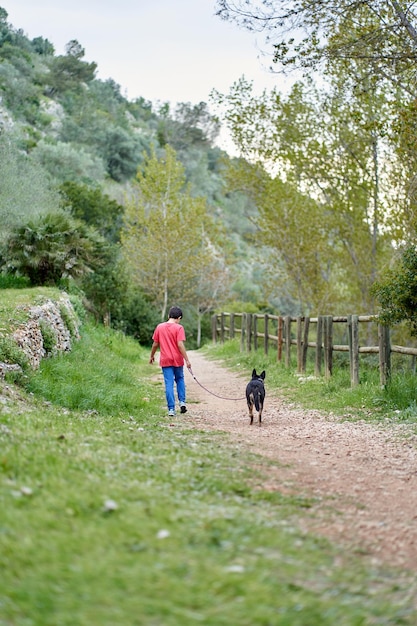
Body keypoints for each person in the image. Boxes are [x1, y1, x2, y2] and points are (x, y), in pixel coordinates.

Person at [149, 306, 191, 417]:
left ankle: (171, 409)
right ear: (179, 317)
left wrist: (152, 356)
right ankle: (182, 402)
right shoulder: (179, 328)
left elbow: (155, 344)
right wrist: (187, 360)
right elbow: (180, 344)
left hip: (165, 360)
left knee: (169, 383)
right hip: (177, 359)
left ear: (168, 316)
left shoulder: (159, 327)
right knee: (180, 379)